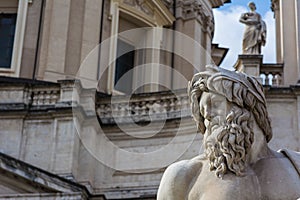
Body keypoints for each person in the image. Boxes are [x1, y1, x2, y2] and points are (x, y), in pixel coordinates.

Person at [157, 65, 300, 200]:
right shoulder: (182, 176)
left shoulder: (296, 165)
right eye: (202, 111)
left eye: (215, 104)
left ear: (247, 105)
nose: (207, 115)